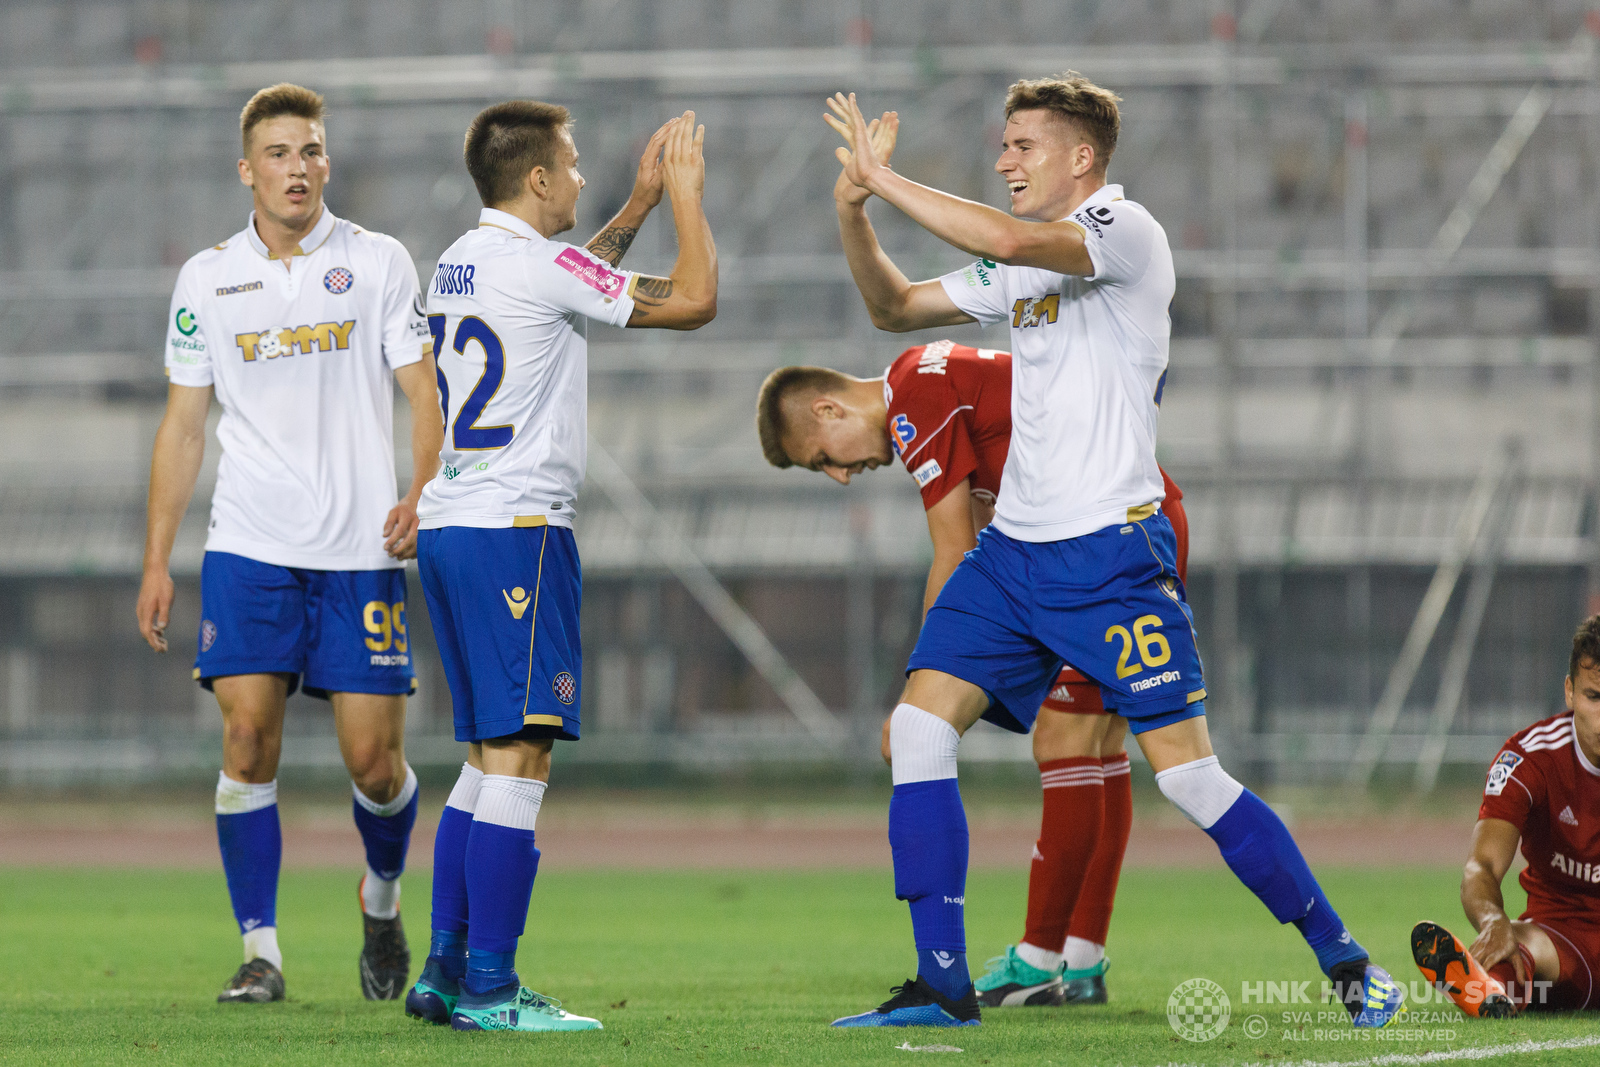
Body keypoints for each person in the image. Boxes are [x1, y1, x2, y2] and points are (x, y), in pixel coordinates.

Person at [821, 73, 1404, 1029]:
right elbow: (892, 307)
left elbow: (1006, 238)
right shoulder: (1023, 267)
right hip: (1012, 557)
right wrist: (855, 212)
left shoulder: (1126, 234)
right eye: (1002, 145)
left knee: (1187, 776)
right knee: (921, 731)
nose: (1004, 159)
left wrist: (885, 178)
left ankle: (1346, 961)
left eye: (1023, 145)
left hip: (1108, 557)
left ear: (1082, 157)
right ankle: (941, 985)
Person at [402, 103, 716, 1033]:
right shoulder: (539, 265)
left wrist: (638, 202)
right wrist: (689, 204)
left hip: (452, 524)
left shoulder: (461, 256)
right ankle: (493, 992)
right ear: (537, 180)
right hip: (518, 529)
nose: (580, 178)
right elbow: (695, 300)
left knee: (481, 757)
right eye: (573, 165)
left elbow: (575, 280)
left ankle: (444, 969)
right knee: (525, 753)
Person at [755, 341, 1190, 1007]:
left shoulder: (912, 396)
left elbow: (956, 549)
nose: (841, 475)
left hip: (1103, 542)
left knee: (1069, 741)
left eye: (823, 459)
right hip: (1122, 523)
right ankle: (1079, 960)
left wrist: (921, 697)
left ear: (829, 408)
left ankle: (1042, 957)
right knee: (1097, 746)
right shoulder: (932, 379)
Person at [135, 83, 442, 1004]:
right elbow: (184, 425)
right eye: (278, 153)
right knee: (245, 736)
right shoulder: (207, 278)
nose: (297, 167)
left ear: (327, 162)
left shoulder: (379, 261)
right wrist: (157, 557)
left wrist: (423, 488)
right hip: (249, 546)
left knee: (374, 765)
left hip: (360, 547)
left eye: (310, 150)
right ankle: (260, 950)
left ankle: (381, 899)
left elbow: (423, 392)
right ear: (248, 171)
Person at [1411, 614, 1600, 1018]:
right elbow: (1479, 867)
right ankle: (1494, 991)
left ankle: (1500, 986)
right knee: (1515, 939)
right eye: (1594, 697)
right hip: (1562, 939)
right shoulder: (1530, 760)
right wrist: (1492, 919)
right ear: (1570, 693)